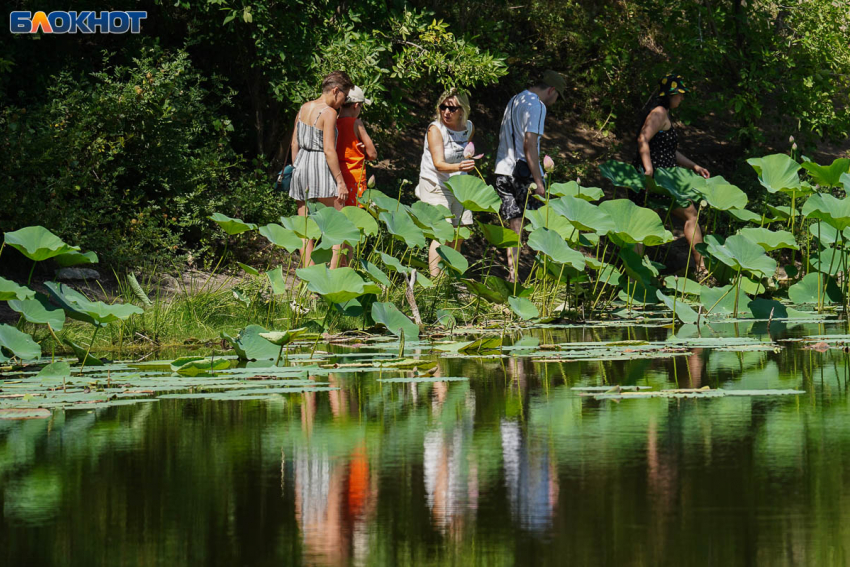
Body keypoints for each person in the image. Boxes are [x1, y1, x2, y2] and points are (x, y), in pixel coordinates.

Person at [633, 74, 710, 274]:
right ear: (671, 95)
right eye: (679, 95)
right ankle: (701, 269)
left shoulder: (664, 113)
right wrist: (649, 169)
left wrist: (694, 166)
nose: (681, 99)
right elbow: (643, 139)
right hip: (655, 179)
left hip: (664, 178)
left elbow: (668, 151)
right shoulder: (658, 112)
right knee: (690, 214)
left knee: (645, 223)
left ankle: (636, 276)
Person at [494, 70, 566, 282]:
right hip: (523, 173)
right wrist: (538, 181)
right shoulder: (537, 105)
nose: (555, 101)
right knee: (538, 224)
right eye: (557, 96)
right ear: (551, 90)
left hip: (502, 170)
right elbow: (529, 144)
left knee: (514, 225)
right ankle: (542, 279)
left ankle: (513, 275)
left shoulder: (516, 98)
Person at [289, 70, 354, 267]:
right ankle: (332, 276)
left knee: (305, 227)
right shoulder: (329, 112)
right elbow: (328, 150)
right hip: (320, 166)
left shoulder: (303, 108)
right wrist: (340, 182)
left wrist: (297, 167)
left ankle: (309, 280)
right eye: (344, 96)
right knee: (337, 222)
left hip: (300, 165)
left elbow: (294, 143)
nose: (343, 102)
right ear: (335, 91)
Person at [415, 88, 476, 277]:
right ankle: (435, 282)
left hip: (459, 185)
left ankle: (450, 279)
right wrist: (461, 166)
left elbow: (466, 149)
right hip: (436, 184)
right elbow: (439, 164)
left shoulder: (469, 127)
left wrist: (465, 165)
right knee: (443, 232)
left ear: (462, 110)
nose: (446, 112)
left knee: (460, 232)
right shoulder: (436, 129)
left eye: (452, 108)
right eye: (443, 107)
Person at [335, 85, 378, 267]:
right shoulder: (356, 123)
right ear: (356, 105)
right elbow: (373, 154)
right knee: (352, 225)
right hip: (354, 178)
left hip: (336, 176)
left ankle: (334, 264)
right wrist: (363, 150)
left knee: (338, 223)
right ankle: (347, 266)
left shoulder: (333, 121)